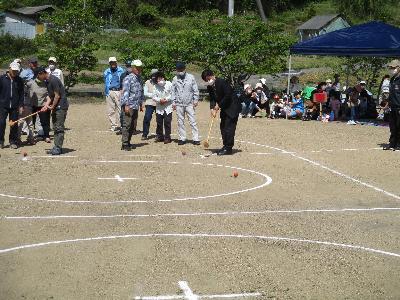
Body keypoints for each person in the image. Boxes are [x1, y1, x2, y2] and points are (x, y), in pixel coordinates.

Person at [201, 69, 241, 155]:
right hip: (225, 107)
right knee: (223, 126)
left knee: (229, 127)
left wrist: (218, 106)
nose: (208, 81)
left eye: (208, 79)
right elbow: (212, 98)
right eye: (206, 80)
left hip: (233, 106)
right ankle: (225, 146)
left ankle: (229, 148)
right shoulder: (209, 86)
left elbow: (228, 95)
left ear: (212, 75)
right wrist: (212, 109)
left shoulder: (222, 82)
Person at [37, 67, 69, 155]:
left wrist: (52, 106)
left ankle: (58, 148)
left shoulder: (53, 80)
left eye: (38, 76)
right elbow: (51, 97)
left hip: (61, 106)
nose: (38, 78)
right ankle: (56, 146)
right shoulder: (47, 81)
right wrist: (46, 105)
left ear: (42, 73)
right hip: (56, 107)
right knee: (55, 126)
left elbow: (57, 96)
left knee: (58, 127)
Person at [171, 62, 200, 145]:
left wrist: (195, 100)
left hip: (189, 103)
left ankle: (196, 138)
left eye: (181, 69)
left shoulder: (191, 77)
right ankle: (182, 138)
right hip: (179, 104)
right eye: (178, 70)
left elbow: (195, 90)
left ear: (184, 69)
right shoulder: (175, 79)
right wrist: (173, 102)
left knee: (193, 121)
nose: (180, 71)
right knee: (180, 122)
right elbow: (173, 91)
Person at [120, 60, 144, 151]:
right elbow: (125, 92)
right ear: (133, 67)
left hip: (135, 105)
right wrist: (126, 105)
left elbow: (140, 91)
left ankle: (128, 142)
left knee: (133, 125)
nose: (138, 69)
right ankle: (125, 143)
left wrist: (141, 103)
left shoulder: (139, 78)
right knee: (127, 124)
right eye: (136, 67)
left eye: (139, 67)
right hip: (129, 105)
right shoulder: (128, 78)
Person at [0, 62, 24, 149]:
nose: (14, 72)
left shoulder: (19, 80)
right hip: (3, 106)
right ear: (9, 68)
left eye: (16, 71)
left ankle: (12, 141)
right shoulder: (2, 79)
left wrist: (21, 105)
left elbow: (21, 94)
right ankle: (1, 141)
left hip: (14, 106)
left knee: (13, 124)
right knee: (1, 123)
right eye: (13, 70)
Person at [103, 57, 124, 133]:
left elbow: (124, 81)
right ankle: (113, 126)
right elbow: (105, 81)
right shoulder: (106, 71)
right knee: (110, 110)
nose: (113, 64)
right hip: (109, 91)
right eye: (111, 62)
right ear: (109, 63)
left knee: (120, 109)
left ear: (116, 62)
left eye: (114, 62)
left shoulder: (121, 71)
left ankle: (122, 126)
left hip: (118, 91)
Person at [152, 72, 173, 144]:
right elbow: (154, 97)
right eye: (158, 79)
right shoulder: (155, 86)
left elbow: (172, 94)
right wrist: (159, 100)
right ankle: (160, 136)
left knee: (167, 122)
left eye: (161, 78)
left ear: (164, 78)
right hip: (159, 107)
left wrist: (166, 99)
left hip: (168, 107)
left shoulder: (169, 84)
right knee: (159, 122)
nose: (160, 80)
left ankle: (167, 137)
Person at [384, 60, 400, 150]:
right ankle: (392, 143)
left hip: (399, 106)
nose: (391, 69)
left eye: (393, 68)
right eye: (390, 68)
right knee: (392, 126)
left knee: (399, 126)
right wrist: (387, 104)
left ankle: (399, 144)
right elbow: (391, 93)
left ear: (398, 68)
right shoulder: (392, 79)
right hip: (392, 106)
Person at [142, 69, 158, 140]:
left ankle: (159, 134)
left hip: (159, 104)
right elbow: (145, 93)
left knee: (159, 120)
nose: (154, 76)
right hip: (149, 103)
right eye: (153, 75)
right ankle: (145, 134)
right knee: (147, 118)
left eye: (155, 75)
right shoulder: (147, 82)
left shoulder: (161, 82)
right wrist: (154, 95)